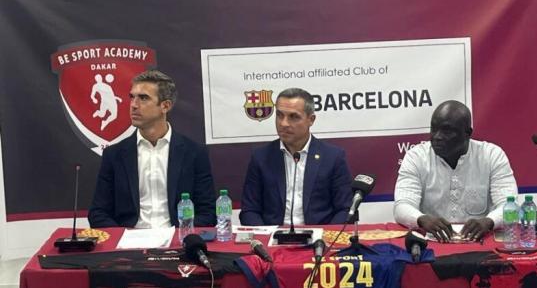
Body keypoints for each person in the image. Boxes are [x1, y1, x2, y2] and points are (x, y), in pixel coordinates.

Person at [88, 70, 216, 228]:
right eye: (132, 97)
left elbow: (208, 213)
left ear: (165, 106)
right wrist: (124, 239)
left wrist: (180, 235)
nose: (134, 105)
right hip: (129, 244)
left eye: (143, 98)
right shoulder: (114, 155)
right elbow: (98, 213)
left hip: (177, 241)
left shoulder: (194, 153)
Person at [394, 100, 518, 242]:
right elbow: (402, 206)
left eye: (446, 131)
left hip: (479, 243)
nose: (437, 136)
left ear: (467, 133)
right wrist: (422, 219)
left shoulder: (492, 155)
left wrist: (489, 222)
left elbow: (512, 206)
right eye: (434, 129)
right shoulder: (416, 157)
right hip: (432, 244)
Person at [239, 88, 353, 225]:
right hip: (272, 240)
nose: (284, 123)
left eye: (293, 117)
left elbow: (345, 209)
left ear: (311, 120)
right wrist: (264, 240)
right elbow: (249, 210)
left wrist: (326, 239)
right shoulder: (261, 157)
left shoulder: (333, 157)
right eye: (280, 115)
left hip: (319, 239)